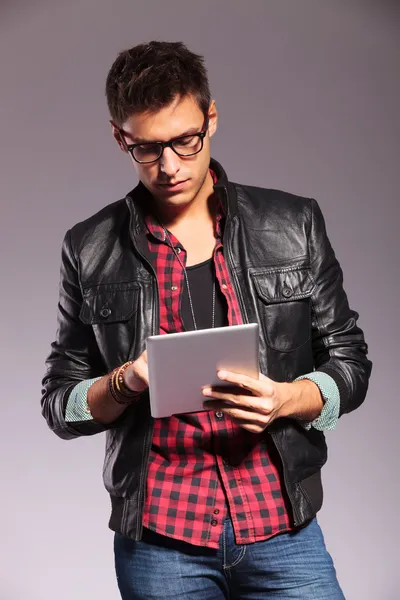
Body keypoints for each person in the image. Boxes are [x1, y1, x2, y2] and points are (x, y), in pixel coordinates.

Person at [41, 41, 372, 599]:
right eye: (146, 149)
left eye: (184, 140)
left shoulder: (293, 223)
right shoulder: (89, 248)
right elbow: (60, 404)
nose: (169, 166)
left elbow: (350, 364)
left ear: (211, 118)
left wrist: (286, 399)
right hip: (160, 536)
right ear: (120, 138)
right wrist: (127, 380)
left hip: (279, 521)